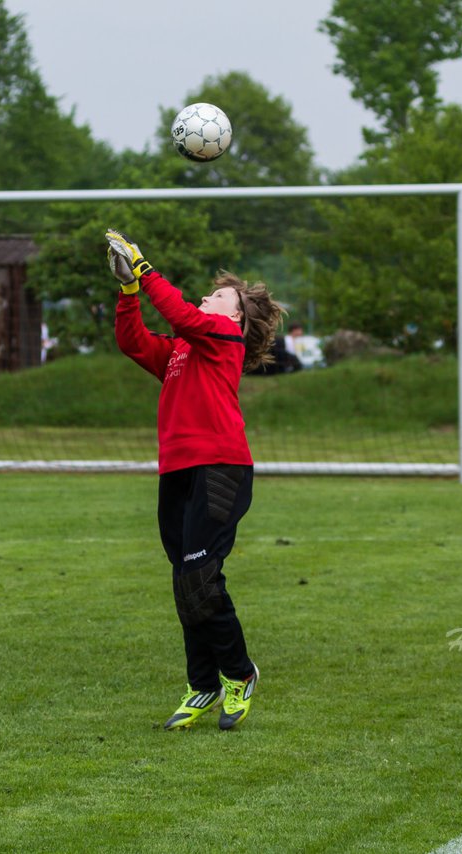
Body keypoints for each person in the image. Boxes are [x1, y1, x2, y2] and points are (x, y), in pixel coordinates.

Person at [106, 228, 282, 731]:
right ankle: (202, 684)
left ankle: (239, 673)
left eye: (217, 296)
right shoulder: (185, 348)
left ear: (234, 317)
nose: (207, 298)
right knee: (186, 581)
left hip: (221, 466)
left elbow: (182, 312)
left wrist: (146, 270)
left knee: (201, 576)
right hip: (178, 472)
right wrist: (128, 291)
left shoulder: (223, 336)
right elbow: (132, 341)